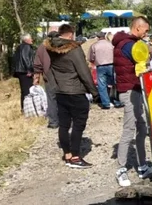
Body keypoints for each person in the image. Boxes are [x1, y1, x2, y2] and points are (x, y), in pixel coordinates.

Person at [45, 24, 99, 169]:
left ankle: (67, 154)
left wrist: (54, 85)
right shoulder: (74, 49)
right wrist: (94, 92)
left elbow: (48, 69)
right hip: (75, 91)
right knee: (79, 124)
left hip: (60, 91)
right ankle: (75, 157)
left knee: (64, 124)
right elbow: (84, 72)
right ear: (70, 34)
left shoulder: (50, 48)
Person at [113, 16, 152, 187]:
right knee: (129, 129)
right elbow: (142, 61)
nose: (147, 33)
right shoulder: (129, 45)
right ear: (138, 28)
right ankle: (121, 169)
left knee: (142, 127)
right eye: (146, 29)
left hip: (134, 89)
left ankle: (142, 166)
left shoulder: (128, 42)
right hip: (129, 91)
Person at [89, 32, 124, 110]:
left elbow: (91, 58)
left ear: (97, 37)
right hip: (111, 65)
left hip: (100, 66)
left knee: (102, 85)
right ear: (104, 36)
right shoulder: (110, 44)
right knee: (113, 84)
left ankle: (106, 103)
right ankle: (116, 101)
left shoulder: (94, 45)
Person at [33, 31, 59, 129]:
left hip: (49, 75)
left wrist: (37, 77)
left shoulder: (42, 47)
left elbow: (37, 64)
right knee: (65, 97)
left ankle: (53, 122)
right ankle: (67, 120)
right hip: (63, 75)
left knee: (51, 98)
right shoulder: (63, 45)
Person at [12, 34, 35, 112]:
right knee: (27, 90)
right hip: (24, 71)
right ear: (26, 40)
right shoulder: (26, 47)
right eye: (31, 38)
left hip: (20, 71)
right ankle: (26, 109)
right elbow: (26, 58)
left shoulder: (20, 47)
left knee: (24, 90)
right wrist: (29, 70)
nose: (32, 39)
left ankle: (24, 108)